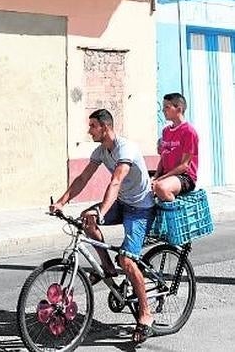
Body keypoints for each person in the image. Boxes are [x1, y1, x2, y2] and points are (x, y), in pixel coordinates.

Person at [50, 109, 155, 344]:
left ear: (105, 127)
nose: (89, 131)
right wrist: (61, 202)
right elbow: (82, 179)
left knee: (127, 261)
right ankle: (108, 268)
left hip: (141, 208)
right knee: (87, 220)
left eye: (92, 126)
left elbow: (115, 181)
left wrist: (101, 211)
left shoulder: (125, 149)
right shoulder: (100, 151)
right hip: (123, 203)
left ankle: (146, 314)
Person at [152, 93, 198, 201]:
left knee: (160, 187)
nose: (163, 110)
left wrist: (161, 179)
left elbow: (184, 166)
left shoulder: (189, 132)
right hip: (166, 175)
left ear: (179, 109)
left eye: (167, 107)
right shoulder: (166, 131)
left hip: (184, 177)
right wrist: (155, 176)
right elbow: (163, 158)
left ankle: (175, 211)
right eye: (163, 107)